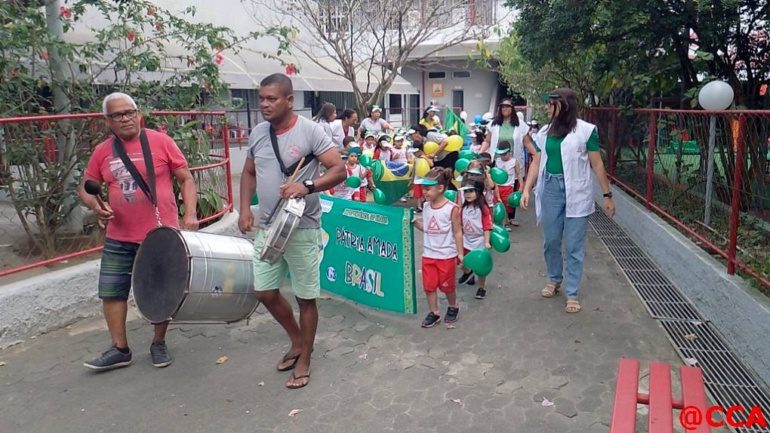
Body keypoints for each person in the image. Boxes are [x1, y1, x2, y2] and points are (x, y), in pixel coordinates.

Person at [239, 73, 346, 388]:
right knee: (264, 292)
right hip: (269, 226)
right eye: (261, 99)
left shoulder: (311, 131)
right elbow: (247, 172)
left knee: (305, 298)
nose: (264, 104)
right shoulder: (258, 133)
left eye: (272, 99)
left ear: (289, 100)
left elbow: (339, 169)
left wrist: (307, 185)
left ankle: (306, 358)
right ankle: (297, 340)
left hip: (303, 227)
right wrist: (245, 209)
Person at [78, 92, 199, 371]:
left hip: (160, 234)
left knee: (162, 291)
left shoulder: (161, 142)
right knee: (112, 291)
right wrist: (96, 204)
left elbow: (186, 178)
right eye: (118, 115)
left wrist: (190, 213)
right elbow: (86, 185)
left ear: (139, 113)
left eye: (130, 112)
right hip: (119, 235)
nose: (126, 118)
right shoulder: (103, 151)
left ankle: (158, 343)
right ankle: (120, 349)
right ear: (107, 120)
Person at [521, 88, 615, 314]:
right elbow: (536, 161)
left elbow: (597, 164)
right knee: (551, 241)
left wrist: (607, 195)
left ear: (563, 105)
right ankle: (554, 278)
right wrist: (526, 188)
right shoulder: (545, 131)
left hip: (577, 191)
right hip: (551, 189)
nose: (546, 107)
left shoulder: (585, 130)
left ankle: (572, 292)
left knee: (573, 245)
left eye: (550, 103)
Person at [412, 168, 464, 328]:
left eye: (428, 189)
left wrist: (460, 253)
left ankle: (453, 305)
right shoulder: (426, 207)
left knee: (447, 287)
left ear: (440, 188)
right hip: (428, 255)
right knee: (429, 287)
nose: (424, 192)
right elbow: (427, 228)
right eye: (423, 189)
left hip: (446, 256)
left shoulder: (452, 208)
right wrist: (414, 222)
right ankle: (434, 312)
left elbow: (457, 231)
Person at [457, 179, 493, 299]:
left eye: (471, 191)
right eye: (466, 191)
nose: (467, 194)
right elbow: (460, 226)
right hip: (466, 241)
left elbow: (487, 227)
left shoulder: (482, 209)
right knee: (460, 261)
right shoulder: (463, 209)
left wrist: (487, 242)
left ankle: (481, 288)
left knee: (481, 268)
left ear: (478, 192)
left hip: (479, 242)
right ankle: (468, 272)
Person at [494, 140, 524, 228]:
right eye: (501, 154)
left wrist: (521, 186)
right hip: (498, 186)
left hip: (508, 187)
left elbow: (519, 174)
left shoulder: (514, 162)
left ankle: (506, 222)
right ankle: (499, 222)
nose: (502, 156)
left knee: (507, 205)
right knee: (498, 204)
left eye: (504, 154)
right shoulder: (497, 161)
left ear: (510, 153)